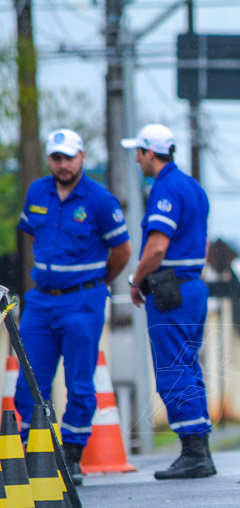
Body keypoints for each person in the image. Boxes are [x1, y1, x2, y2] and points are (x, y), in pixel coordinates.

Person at [14, 128, 131, 485]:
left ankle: (72, 455)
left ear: (82, 157)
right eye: (56, 158)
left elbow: (122, 251)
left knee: (79, 382)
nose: (62, 165)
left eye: (68, 157)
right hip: (40, 303)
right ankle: (35, 451)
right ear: (50, 159)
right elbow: (31, 234)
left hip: (83, 301)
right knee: (29, 383)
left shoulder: (100, 200)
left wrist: (94, 283)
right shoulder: (37, 191)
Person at [121, 124, 214, 479]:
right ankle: (199, 450)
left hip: (170, 289)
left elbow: (157, 247)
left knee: (173, 370)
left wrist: (137, 279)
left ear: (149, 152)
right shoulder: (192, 187)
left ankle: (194, 454)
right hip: (191, 287)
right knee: (188, 367)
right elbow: (202, 244)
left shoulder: (166, 188)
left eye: (138, 152)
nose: (136, 159)